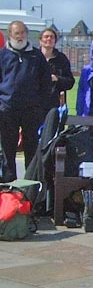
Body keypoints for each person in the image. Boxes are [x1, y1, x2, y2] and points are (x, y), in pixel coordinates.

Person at [0, 20, 51, 182]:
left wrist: (41, 106)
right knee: (8, 149)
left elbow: (46, 84)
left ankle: (30, 185)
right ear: (10, 35)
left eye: (23, 33)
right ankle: (9, 185)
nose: (20, 36)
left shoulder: (37, 56)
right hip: (7, 109)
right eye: (17, 33)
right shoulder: (2, 55)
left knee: (32, 149)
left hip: (32, 110)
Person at [38, 26, 75, 116]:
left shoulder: (61, 59)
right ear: (40, 40)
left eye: (52, 37)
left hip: (55, 106)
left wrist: (57, 79)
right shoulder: (34, 58)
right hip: (36, 105)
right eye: (46, 36)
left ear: (55, 41)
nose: (49, 39)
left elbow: (70, 82)